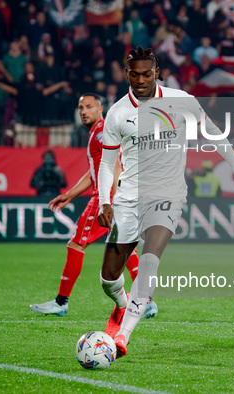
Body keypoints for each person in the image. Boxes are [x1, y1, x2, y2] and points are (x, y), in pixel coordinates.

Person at [97, 46, 234, 358]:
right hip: (128, 199)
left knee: (149, 259)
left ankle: (122, 339)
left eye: (146, 73)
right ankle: (120, 305)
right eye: (134, 74)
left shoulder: (181, 101)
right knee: (107, 278)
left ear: (156, 72)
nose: (140, 79)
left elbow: (213, 133)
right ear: (125, 73)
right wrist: (106, 202)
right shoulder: (117, 113)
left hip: (168, 196)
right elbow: (106, 163)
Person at [29, 93, 158, 319]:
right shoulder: (100, 132)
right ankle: (146, 301)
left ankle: (61, 302)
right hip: (117, 196)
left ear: (100, 108)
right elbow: (94, 173)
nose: (83, 111)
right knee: (127, 248)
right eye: (80, 107)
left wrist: (112, 201)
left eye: (89, 107)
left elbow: (116, 164)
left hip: (104, 199)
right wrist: (69, 194)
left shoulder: (100, 132)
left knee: (76, 244)